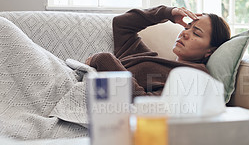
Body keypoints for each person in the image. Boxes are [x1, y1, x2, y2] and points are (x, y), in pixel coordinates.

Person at [85, 5, 231, 97]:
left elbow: (145, 105)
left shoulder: (194, 77)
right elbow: (121, 24)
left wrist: (104, 60)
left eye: (197, 33)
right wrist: (167, 13)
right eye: (187, 27)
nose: (185, 33)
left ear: (210, 51)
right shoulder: (148, 57)